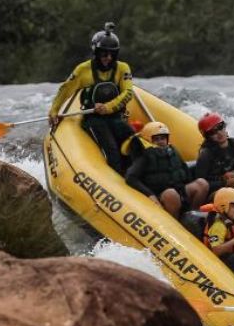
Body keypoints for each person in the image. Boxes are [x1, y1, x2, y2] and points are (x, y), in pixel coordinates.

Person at [48, 22, 135, 173]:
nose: (108, 58)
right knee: (112, 150)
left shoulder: (123, 68)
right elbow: (65, 89)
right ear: (96, 53)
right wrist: (54, 110)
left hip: (115, 116)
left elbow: (128, 93)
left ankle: (133, 175)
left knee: (132, 143)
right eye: (104, 54)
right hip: (93, 118)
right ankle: (116, 181)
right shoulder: (83, 70)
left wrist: (107, 107)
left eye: (112, 54)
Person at [125, 121, 210, 216]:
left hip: (179, 190)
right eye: (156, 139)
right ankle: (176, 223)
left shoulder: (172, 150)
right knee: (171, 194)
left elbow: (185, 170)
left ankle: (192, 216)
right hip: (160, 195)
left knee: (202, 183)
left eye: (163, 138)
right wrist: (150, 195)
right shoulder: (144, 156)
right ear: (148, 140)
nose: (161, 141)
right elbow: (130, 177)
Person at [202, 187, 234, 275]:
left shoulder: (232, 219)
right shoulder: (218, 226)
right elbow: (216, 250)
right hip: (221, 262)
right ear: (223, 205)